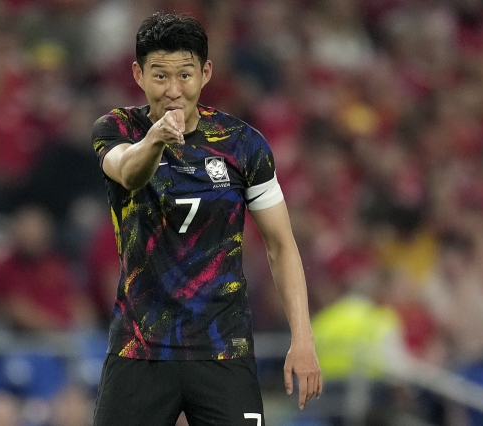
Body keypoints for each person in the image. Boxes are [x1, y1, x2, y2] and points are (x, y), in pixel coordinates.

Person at [90, 12, 322, 426]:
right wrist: (156, 140)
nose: (174, 90)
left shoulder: (243, 145)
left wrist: (302, 339)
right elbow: (128, 171)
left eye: (185, 75)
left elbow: (280, 244)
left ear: (206, 72)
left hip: (222, 349)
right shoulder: (117, 129)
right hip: (140, 349)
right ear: (138, 74)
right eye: (160, 76)